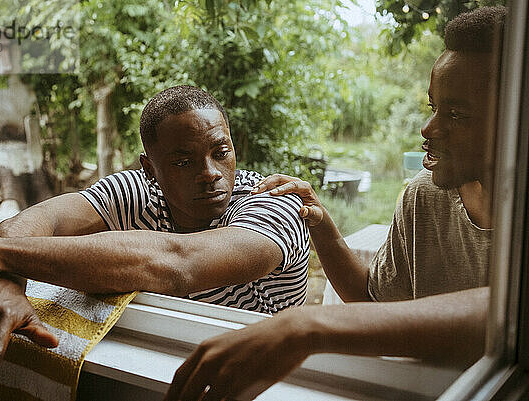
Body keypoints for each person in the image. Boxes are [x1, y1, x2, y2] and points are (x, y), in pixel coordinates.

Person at [164, 6, 505, 401]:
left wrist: (307, 325)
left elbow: (508, 311)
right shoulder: (424, 196)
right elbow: (371, 301)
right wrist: (323, 227)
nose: (428, 129)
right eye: (433, 108)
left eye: (457, 115)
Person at [0, 85, 310, 394]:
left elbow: (177, 262)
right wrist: (9, 285)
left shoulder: (275, 205)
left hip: (279, 383)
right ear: (150, 168)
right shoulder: (137, 190)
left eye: (220, 151)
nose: (209, 173)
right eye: (182, 161)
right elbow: (42, 220)